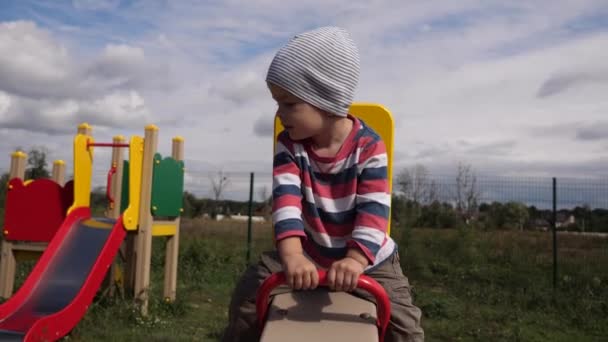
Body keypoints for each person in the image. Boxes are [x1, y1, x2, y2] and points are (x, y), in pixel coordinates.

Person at [222, 26, 424, 342]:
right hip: (308, 250)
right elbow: (286, 202)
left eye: (289, 104)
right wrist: (292, 255)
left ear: (326, 99)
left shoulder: (369, 147)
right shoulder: (289, 145)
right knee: (248, 296)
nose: (279, 113)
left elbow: (373, 214)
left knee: (405, 325)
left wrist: (356, 259)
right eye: (278, 102)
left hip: (370, 260)